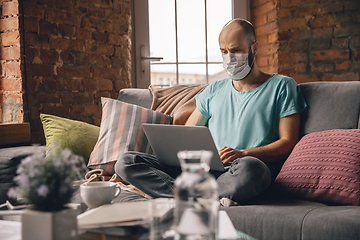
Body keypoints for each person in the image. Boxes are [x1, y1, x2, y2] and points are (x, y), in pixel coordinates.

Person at [115, 19, 307, 205]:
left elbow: (288, 142)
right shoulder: (214, 90)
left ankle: (183, 195)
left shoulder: (282, 85)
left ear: (254, 48)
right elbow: (188, 134)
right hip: (206, 169)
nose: (229, 57)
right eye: (224, 51)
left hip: (242, 170)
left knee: (252, 168)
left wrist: (243, 153)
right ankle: (201, 197)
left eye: (236, 50)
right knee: (127, 161)